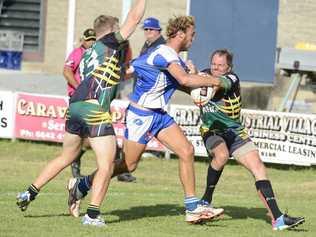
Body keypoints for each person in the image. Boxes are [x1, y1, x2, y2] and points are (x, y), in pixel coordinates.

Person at [67, 15, 225, 224]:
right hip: (141, 115)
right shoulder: (164, 54)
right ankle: (82, 185)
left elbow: (179, 83)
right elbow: (184, 79)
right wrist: (216, 81)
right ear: (180, 34)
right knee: (127, 165)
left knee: (186, 150)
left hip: (158, 114)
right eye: (191, 34)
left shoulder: (171, 57)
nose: (193, 39)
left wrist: (199, 91)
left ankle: (192, 208)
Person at [16, 0, 147, 227]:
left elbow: (117, 75)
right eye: (117, 28)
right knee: (107, 164)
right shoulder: (109, 42)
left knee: (66, 157)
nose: (121, 32)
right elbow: (134, 20)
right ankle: (92, 216)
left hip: (75, 106)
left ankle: (29, 193)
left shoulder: (89, 54)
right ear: (109, 31)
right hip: (94, 107)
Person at [197, 49, 305, 230]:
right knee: (221, 155)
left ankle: (278, 219)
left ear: (229, 67)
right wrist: (190, 75)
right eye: (213, 64)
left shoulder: (231, 79)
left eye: (220, 65)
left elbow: (216, 85)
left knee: (259, 168)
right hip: (212, 130)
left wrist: (196, 78)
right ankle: (205, 201)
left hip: (235, 133)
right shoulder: (203, 74)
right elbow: (185, 82)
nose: (215, 68)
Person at [63, 28, 96, 178]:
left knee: (89, 136)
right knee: (80, 135)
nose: (91, 42)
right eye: (89, 39)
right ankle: (73, 162)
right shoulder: (77, 53)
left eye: (93, 39)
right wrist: (78, 88)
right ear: (83, 40)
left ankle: (75, 160)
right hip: (78, 99)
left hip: (91, 98)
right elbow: (66, 71)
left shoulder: (95, 55)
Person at [137, 16, 166, 159]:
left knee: (147, 124)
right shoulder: (148, 44)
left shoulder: (160, 46)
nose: (147, 31)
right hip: (144, 91)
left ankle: (154, 151)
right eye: (146, 29)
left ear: (158, 30)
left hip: (153, 92)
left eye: (151, 29)